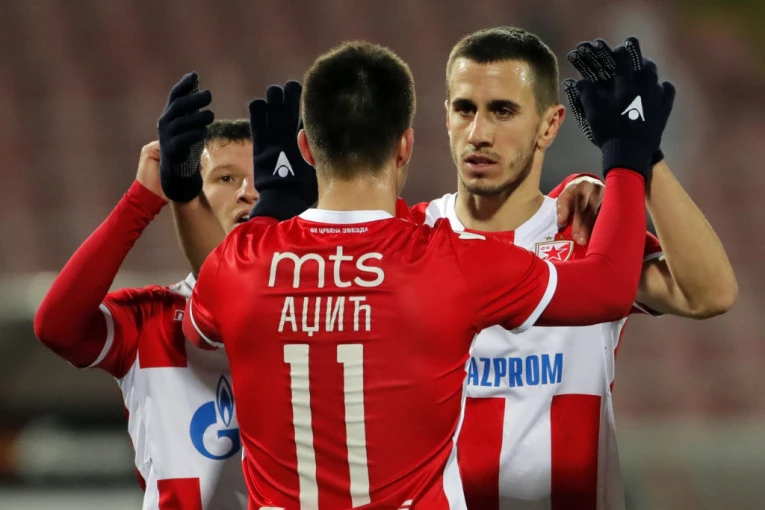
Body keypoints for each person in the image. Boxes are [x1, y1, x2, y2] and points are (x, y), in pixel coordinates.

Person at [177, 40, 671, 508]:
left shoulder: (239, 262)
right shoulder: (448, 261)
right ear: (405, 146)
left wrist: (272, 207)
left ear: (306, 148)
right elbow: (609, 287)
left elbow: (200, 332)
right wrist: (625, 155)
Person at [405, 28, 736, 509]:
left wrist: (642, 155)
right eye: (465, 109)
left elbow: (711, 294)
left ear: (549, 125)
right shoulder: (408, 239)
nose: (478, 134)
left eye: (503, 111)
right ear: (446, 116)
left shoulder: (586, 233)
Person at [33, 117, 256, 509]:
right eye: (226, 178)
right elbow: (57, 327)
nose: (248, 192)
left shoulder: (321, 312)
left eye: (265, 178)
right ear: (189, 195)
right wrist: (140, 200)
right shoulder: (152, 317)